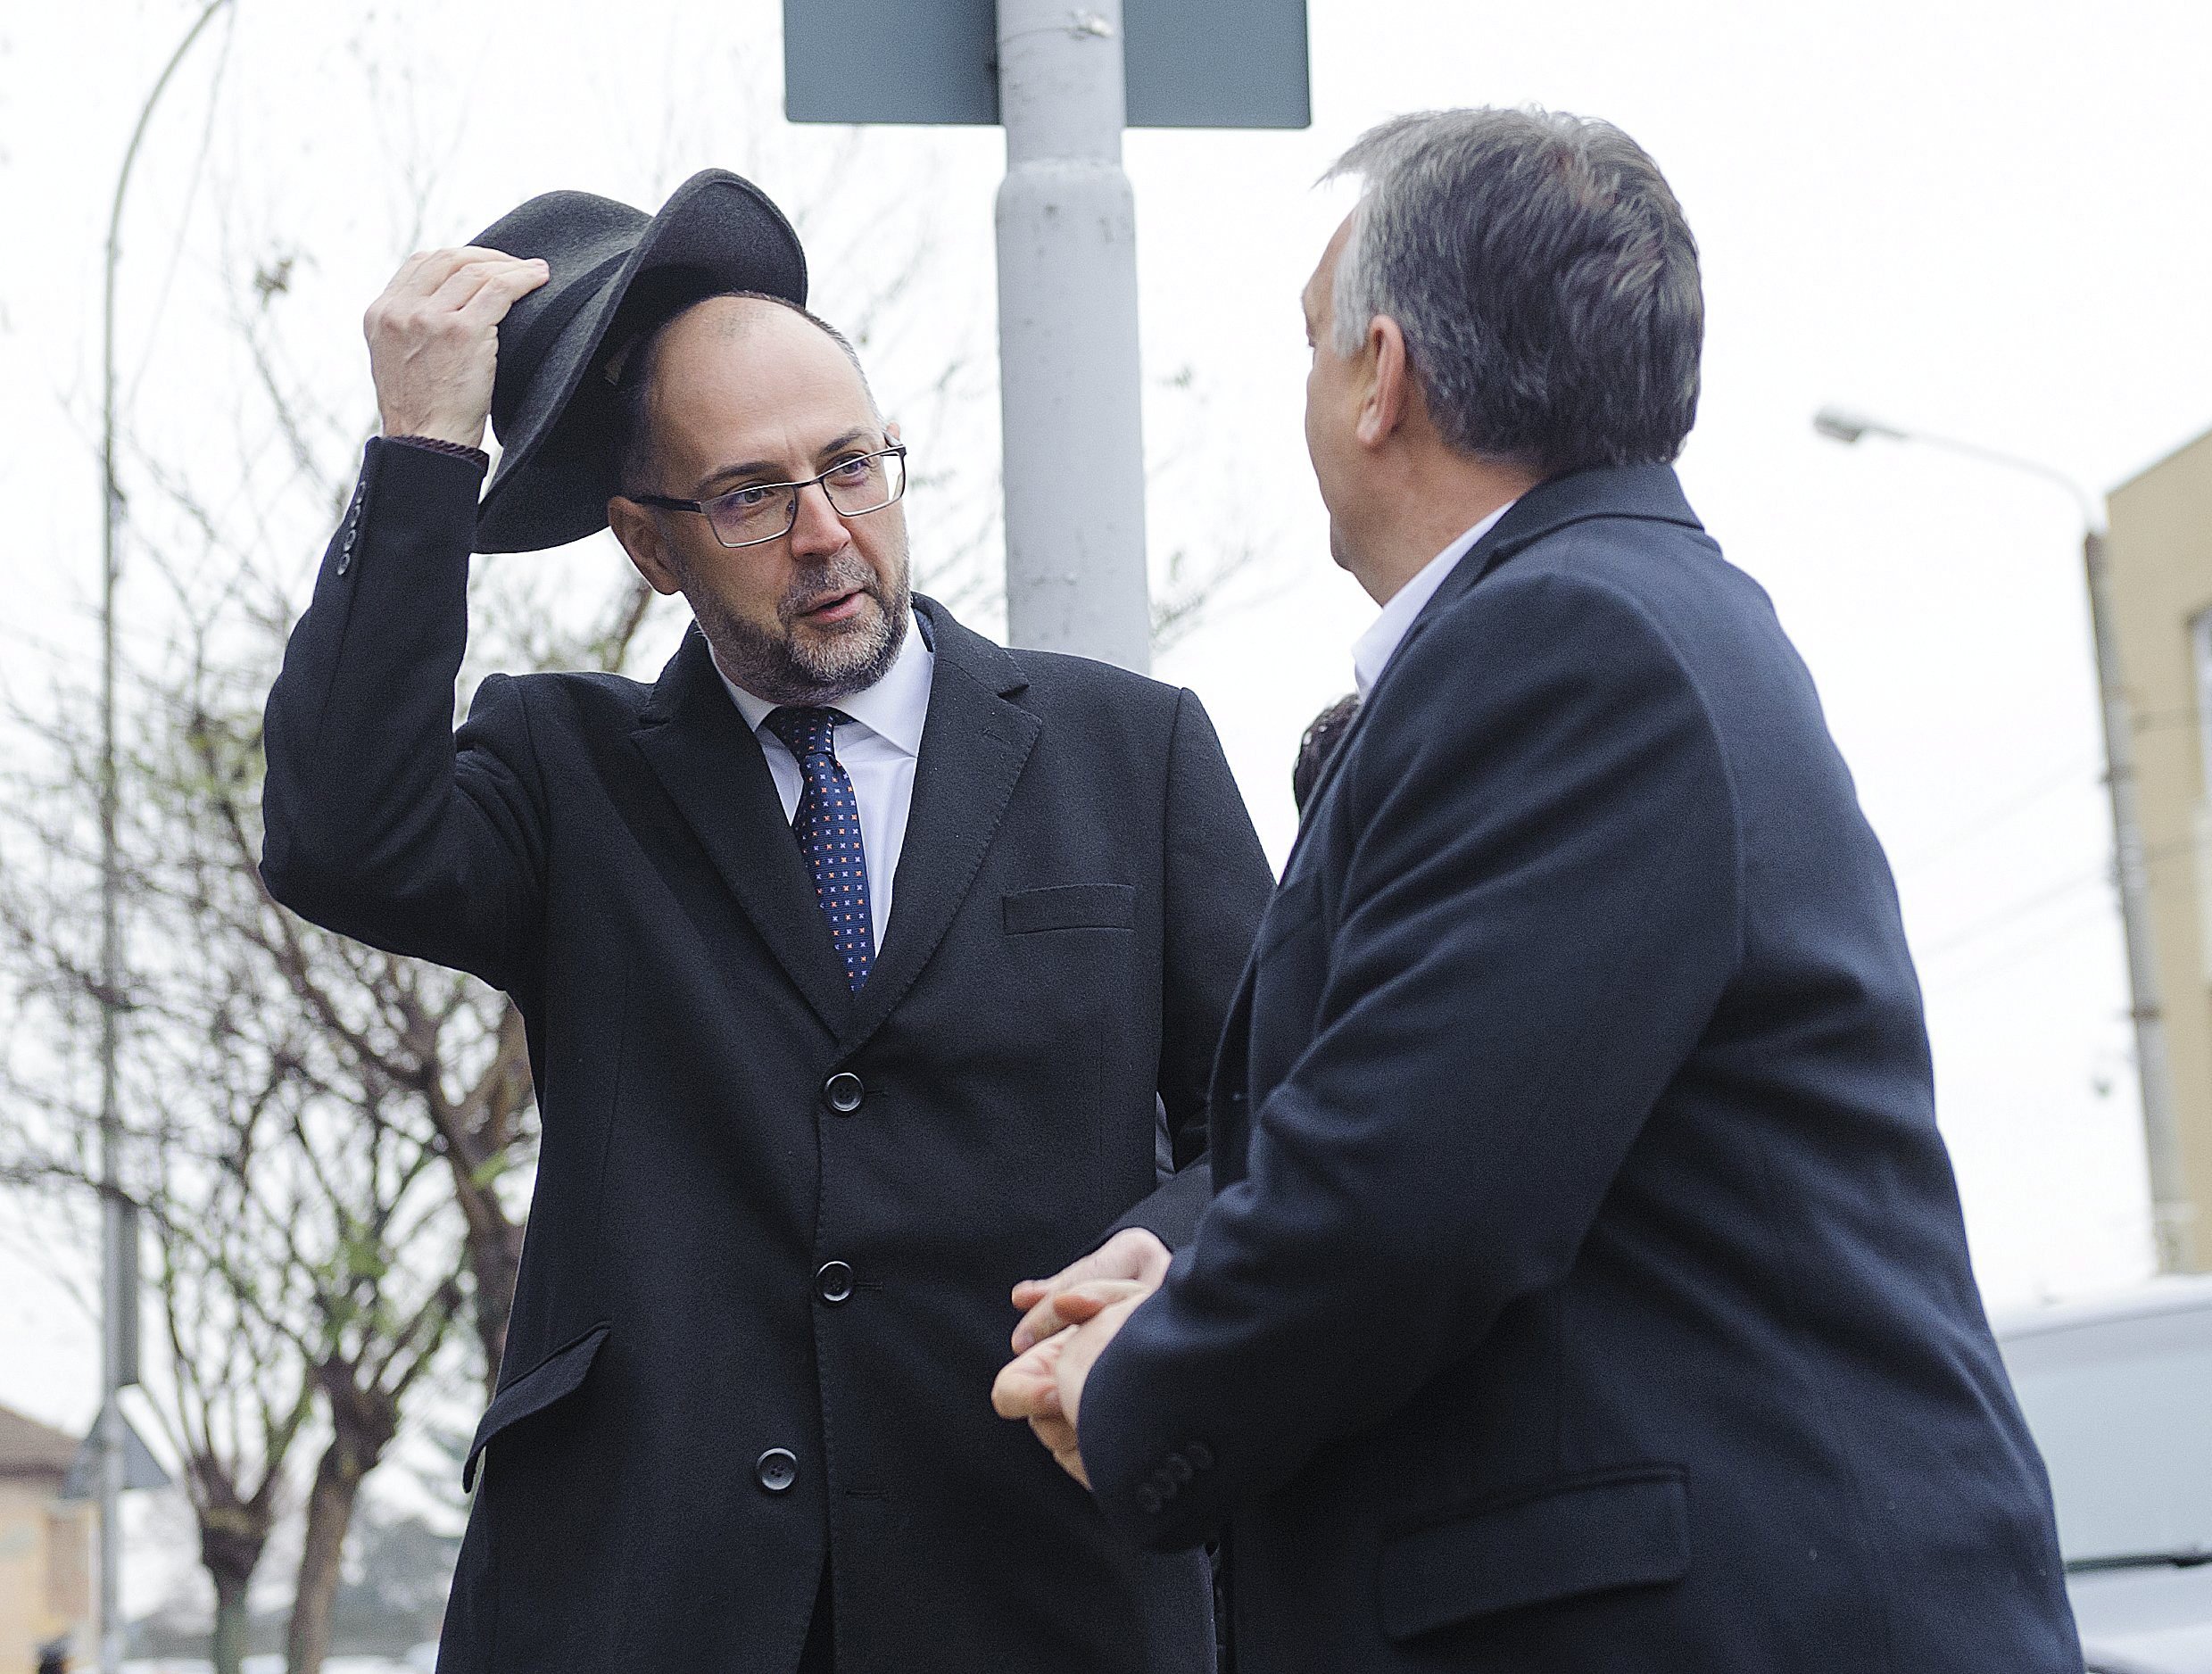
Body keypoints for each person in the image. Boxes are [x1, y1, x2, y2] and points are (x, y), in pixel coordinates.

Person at [994, 109, 2084, 1672]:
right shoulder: (1623, 619)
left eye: (1312, 343)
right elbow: (1479, 1118)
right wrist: (1194, 1259)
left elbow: (1407, 1198)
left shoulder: (1569, 645)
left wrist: (1142, 1383)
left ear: (1381, 377)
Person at [260, 170, 1271, 1674]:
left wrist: (1149, 1261)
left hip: (1043, 1587)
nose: (824, 532)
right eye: (749, 496)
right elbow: (339, 838)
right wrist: (421, 459)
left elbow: (1275, 1113)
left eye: (853, 467)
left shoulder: (1134, 749)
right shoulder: (563, 772)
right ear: (648, 546)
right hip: (640, 1602)